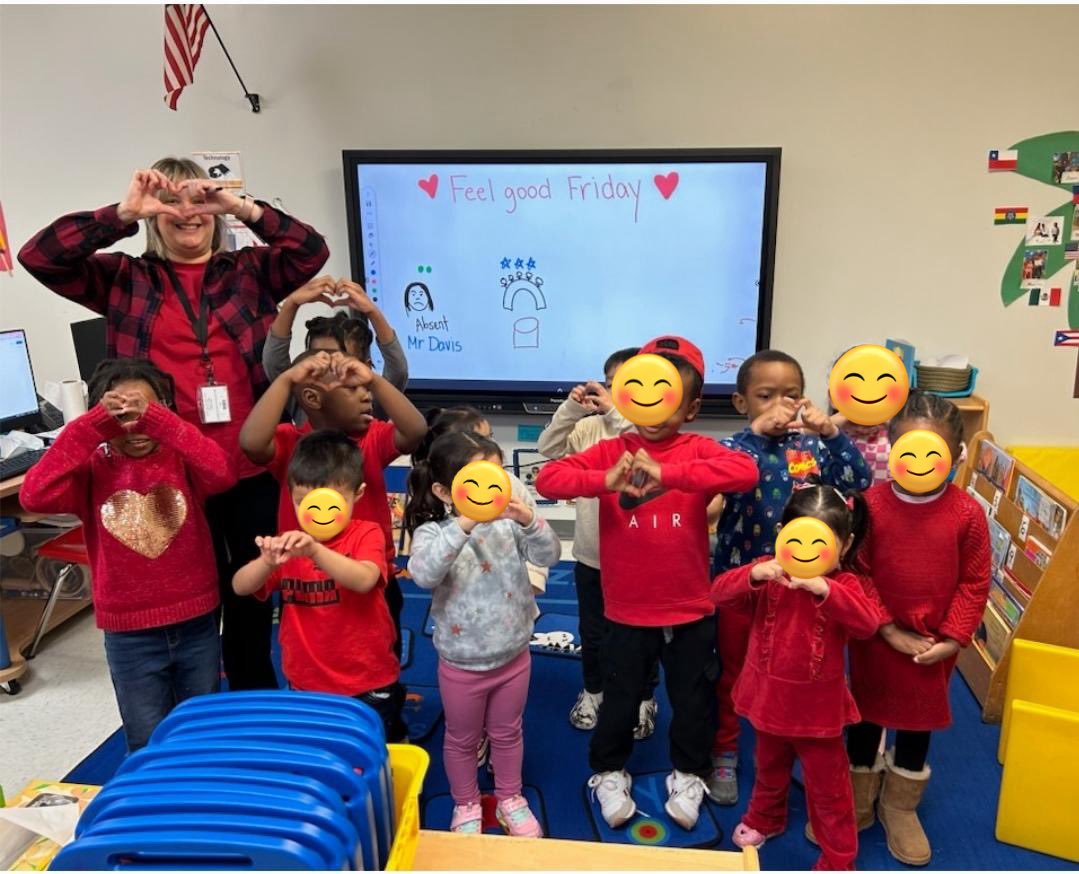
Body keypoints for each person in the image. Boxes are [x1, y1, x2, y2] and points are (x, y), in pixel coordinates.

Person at [18, 159, 330, 691]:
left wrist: (242, 208)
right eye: (172, 202)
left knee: (253, 590)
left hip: (251, 463)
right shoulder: (124, 280)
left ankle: (252, 694)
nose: (188, 213)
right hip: (172, 471)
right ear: (152, 216)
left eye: (199, 200)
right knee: (192, 599)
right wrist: (120, 213)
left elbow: (310, 249)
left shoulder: (249, 272)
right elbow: (39, 256)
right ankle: (201, 704)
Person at [535, 335, 759, 831]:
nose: (653, 402)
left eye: (669, 391)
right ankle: (608, 773)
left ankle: (689, 772)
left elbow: (744, 471)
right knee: (619, 697)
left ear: (692, 406)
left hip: (690, 608)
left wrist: (670, 472)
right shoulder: (610, 449)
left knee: (693, 699)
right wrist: (605, 481)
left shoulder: (699, 450)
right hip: (626, 609)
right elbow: (549, 480)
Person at [20, 359, 236, 751]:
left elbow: (222, 472)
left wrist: (162, 421)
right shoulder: (92, 467)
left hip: (196, 621)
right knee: (147, 739)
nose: (134, 427)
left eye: (144, 412)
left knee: (201, 733)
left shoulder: (179, 456)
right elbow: (33, 496)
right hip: (130, 634)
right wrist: (89, 427)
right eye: (120, 416)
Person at [710, 350, 873, 805]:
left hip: (804, 588)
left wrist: (830, 431)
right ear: (742, 402)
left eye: (792, 395)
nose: (781, 405)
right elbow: (717, 475)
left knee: (801, 666)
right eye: (766, 396)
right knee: (734, 670)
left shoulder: (812, 447)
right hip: (748, 582)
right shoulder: (737, 446)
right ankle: (725, 747)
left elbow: (857, 478)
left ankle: (797, 742)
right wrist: (755, 435)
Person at [845, 391, 990, 866]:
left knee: (917, 720)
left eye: (936, 453)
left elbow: (974, 580)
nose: (922, 463)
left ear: (957, 456)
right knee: (865, 713)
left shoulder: (967, 513)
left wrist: (952, 638)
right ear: (890, 447)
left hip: (933, 644)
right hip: (876, 637)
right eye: (909, 449)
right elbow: (858, 571)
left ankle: (900, 805)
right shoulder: (871, 505)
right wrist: (887, 629)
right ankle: (858, 796)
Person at [713, 483, 881, 870]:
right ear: (783, 535)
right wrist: (754, 573)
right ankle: (765, 818)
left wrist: (825, 588)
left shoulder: (845, 585)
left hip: (817, 715)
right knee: (768, 768)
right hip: (768, 701)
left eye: (824, 541)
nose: (808, 553)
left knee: (829, 788)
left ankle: (839, 856)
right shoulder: (769, 576)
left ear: (845, 543)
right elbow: (719, 594)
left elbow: (868, 624)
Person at [406, 431, 562, 837]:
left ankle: (511, 797)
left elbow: (549, 556)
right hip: (462, 663)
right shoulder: (433, 533)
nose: (494, 488)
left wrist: (530, 519)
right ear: (444, 490)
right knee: (462, 739)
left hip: (514, 656)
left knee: (508, 732)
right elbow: (423, 574)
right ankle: (466, 802)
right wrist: (463, 524)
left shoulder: (509, 526)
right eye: (477, 479)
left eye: (498, 475)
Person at [232, 430, 405, 740]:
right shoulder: (288, 543)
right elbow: (240, 587)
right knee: (317, 757)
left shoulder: (366, 533)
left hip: (367, 682)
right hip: (306, 682)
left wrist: (315, 550)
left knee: (370, 758)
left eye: (330, 503)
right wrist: (266, 562)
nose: (316, 514)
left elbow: (365, 579)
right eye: (302, 503)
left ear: (358, 495)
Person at [536, 347, 662, 738]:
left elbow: (646, 452)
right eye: (612, 384)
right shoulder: (590, 429)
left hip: (642, 558)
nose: (618, 392)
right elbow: (548, 450)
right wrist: (572, 410)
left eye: (629, 384)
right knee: (593, 632)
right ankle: (594, 690)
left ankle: (644, 696)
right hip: (592, 555)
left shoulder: (655, 428)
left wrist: (613, 412)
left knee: (643, 632)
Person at [414, 406, 550, 601]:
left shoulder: (508, 484)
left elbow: (538, 536)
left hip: (513, 603)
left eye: (490, 437)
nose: (490, 446)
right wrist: (462, 525)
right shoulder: (435, 498)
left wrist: (534, 577)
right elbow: (426, 571)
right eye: (481, 440)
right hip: (462, 612)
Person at [263, 275, 408, 424]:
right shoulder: (304, 399)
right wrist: (291, 304)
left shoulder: (369, 402)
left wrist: (372, 312)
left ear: (366, 367)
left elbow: (398, 370)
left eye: (338, 360)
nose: (326, 367)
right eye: (316, 358)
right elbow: (273, 363)